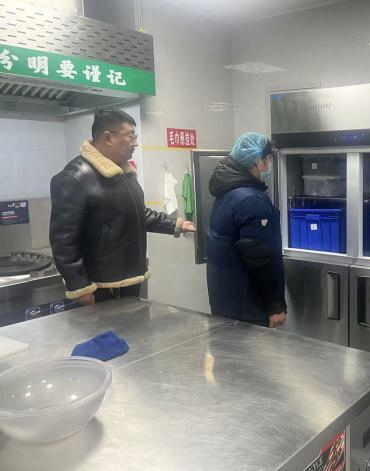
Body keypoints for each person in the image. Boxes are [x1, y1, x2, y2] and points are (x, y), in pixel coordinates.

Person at [49, 109, 195, 305]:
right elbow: (63, 241)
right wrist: (79, 288)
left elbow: (137, 214)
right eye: (130, 136)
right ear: (108, 138)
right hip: (101, 287)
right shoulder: (75, 177)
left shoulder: (124, 173)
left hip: (128, 281)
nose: (135, 143)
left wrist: (176, 225)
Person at [206, 132, 287, 328]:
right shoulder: (251, 200)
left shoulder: (228, 193)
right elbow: (261, 259)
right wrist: (275, 305)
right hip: (249, 304)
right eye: (268, 159)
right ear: (257, 161)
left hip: (225, 300)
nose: (269, 165)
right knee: (252, 348)